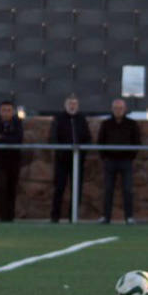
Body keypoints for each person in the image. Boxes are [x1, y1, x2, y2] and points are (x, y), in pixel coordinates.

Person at [98, 97, 141, 224]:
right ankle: (106, 217)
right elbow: (100, 142)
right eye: (116, 108)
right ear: (112, 109)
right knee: (108, 189)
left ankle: (129, 217)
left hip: (126, 161)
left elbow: (137, 142)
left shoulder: (132, 124)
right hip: (110, 161)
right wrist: (105, 157)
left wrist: (130, 156)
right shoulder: (106, 124)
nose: (118, 110)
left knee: (127, 189)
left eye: (120, 108)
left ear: (125, 109)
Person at [49, 94, 91, 223]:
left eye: (75, 104)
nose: (72, 106)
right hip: (62, 160)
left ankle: (73, 217)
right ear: (65, 105)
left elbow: (87, 138)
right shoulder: (59, 119)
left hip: (77, 161)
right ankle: (55, 217)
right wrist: (61, 151)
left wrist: (82, 152)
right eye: (70, 103)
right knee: (59, 188)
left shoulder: (81, 119)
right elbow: (53, 137)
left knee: (76, 189)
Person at [0, 100, 23, 222]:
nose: (6, 113)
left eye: (9, 110)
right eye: (4, 110)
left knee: (12, 188)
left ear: (13, 111)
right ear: (0, 111)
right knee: (1, 187)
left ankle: (11, 216)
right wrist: (7, 138)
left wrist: (2, 137)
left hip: (14, 161)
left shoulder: (17, 123)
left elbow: (18, 139)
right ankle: (2, 216)